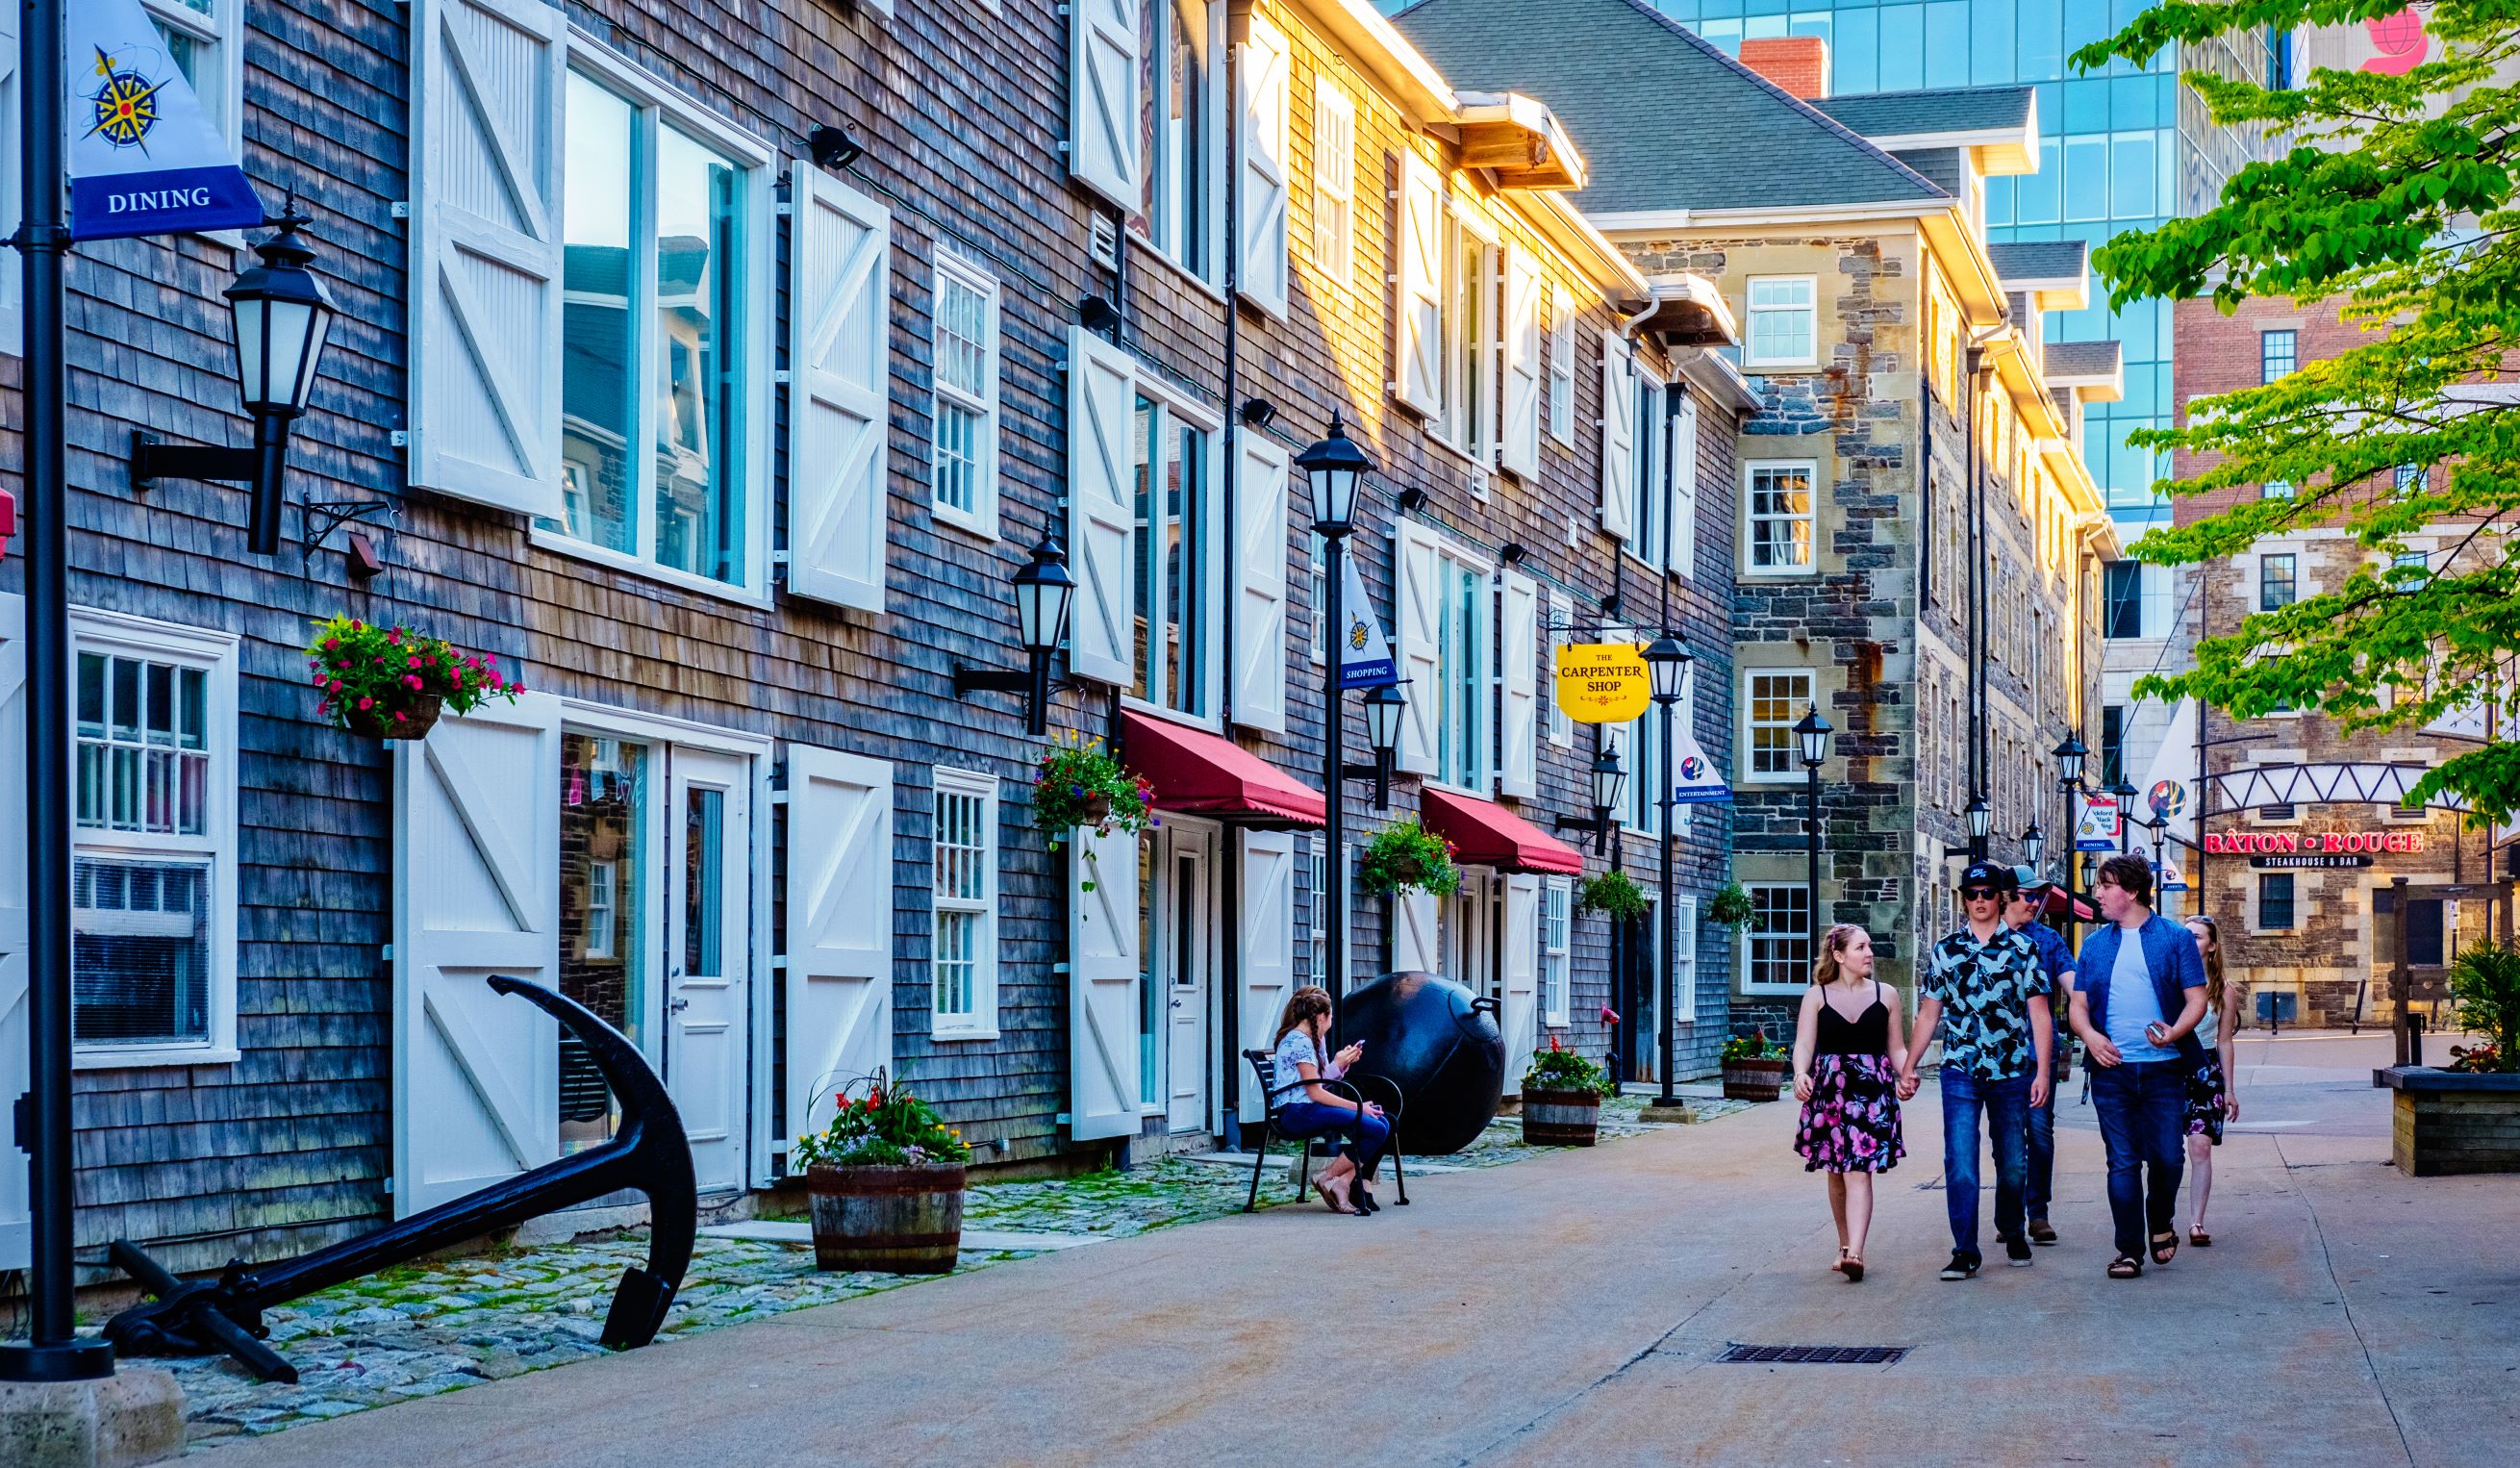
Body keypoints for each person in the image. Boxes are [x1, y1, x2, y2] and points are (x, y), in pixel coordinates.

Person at [1903, 861, 2054, 1280]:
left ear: (2000, 897)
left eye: (1988, 893)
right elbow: (1929, 1013)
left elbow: (2039, 1014)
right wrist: (1910, 1066)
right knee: (1961, 1162)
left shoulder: (2023, 950)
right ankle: (1965, 1249)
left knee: (2013, 1165)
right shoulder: (1945, 950)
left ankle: (2011, 1226)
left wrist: (2041, 1072)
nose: (1981, 900)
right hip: (1961, 1069)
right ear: (1964, 899)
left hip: (2011, 1070)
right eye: (1973, 894)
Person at [2070, 854, 2209, 1278]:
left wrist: (2173, 1033)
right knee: (2123, 1161)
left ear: (2130, 891)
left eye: (2104, 885)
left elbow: (2197, 999)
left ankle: (2161, 1220)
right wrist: (2090, 1037)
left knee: (2168, 1158)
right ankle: (2128, 1249)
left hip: (2164, 1068)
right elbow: (2077, 1005)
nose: (2097, 893)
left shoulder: (2173, 938)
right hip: (2111, 1070)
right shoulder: (2094, 944)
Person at [1790, 924, 1908, 1282]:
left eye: (1869, 946)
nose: (1869, 952)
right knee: (1837, 1173)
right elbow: (1804, 1046)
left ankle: (1856, 1252)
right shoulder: (1816, 996)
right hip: (1829, 1092)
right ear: (1839, 956)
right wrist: (1799, 1073)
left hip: (1870, 1095)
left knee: (1860, 1171)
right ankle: (1844, 1244)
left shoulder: (1886, 995)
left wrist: (1907, 1074)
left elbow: (1897, 1048)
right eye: (1861, 947)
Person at [1269, 986, 1390, 1215]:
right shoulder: (1299, 1042)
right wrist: (1358, 1107)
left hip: (1309, 1107)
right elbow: (1315, 1092)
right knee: (1375, 1127)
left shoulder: (1314, 1039)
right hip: (1296, 1113)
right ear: (1322, 1016)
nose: (1332, 1022)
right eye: (1331, 1017)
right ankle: (1327, 1177)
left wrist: (1340, 1064)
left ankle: (1344, 1183)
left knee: (1384, 1122)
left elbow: (1317, 1083)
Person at [2006, 869, 2078, 1247]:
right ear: (2005, 897)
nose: (2033, 903)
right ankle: (2009, 1212)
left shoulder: (2048, 939)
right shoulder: (1990, 939)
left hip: (2039, 1054)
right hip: (1998, 1059)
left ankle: (2037, 1213)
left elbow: (2073, 983)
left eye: (2037, 897)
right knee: (2006, 1139)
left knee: (2040, 1135)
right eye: (2026, 895)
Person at [2182, 915, 2243, 1246]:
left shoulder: (2224, 992)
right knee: (2163, 1152)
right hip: (2170, 1067)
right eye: (2186, 935)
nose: (2190, 941)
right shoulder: (2171, 983)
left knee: (2201, 1145)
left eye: (2197, 937)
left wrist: (2230, 1089)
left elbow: (2224, 1041)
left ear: (2212, 946)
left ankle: (2196, 1222)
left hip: (2206, 1071)